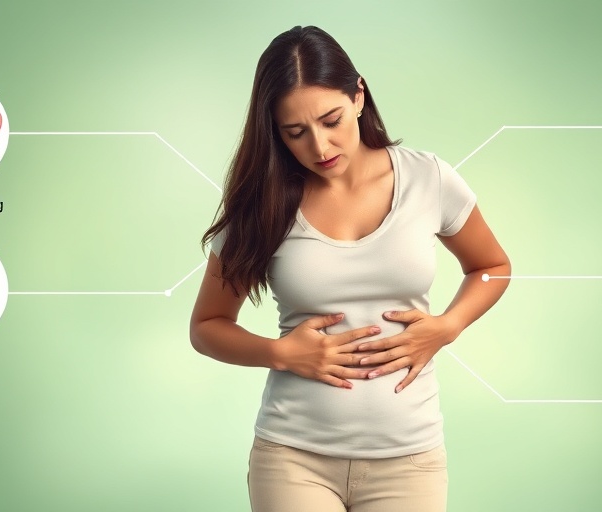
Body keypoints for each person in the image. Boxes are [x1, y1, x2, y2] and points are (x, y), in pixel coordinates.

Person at [189, 25, 510, 512]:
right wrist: (281, 353)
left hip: (409, 460)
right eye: (295, 132)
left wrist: (447, 326)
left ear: (359, 95)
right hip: (293, 459)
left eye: (331, 120)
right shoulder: (265, 203)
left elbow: (492, 266)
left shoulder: (428, 179)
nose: (319, 146)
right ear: (275, 132)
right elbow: (207, 327)